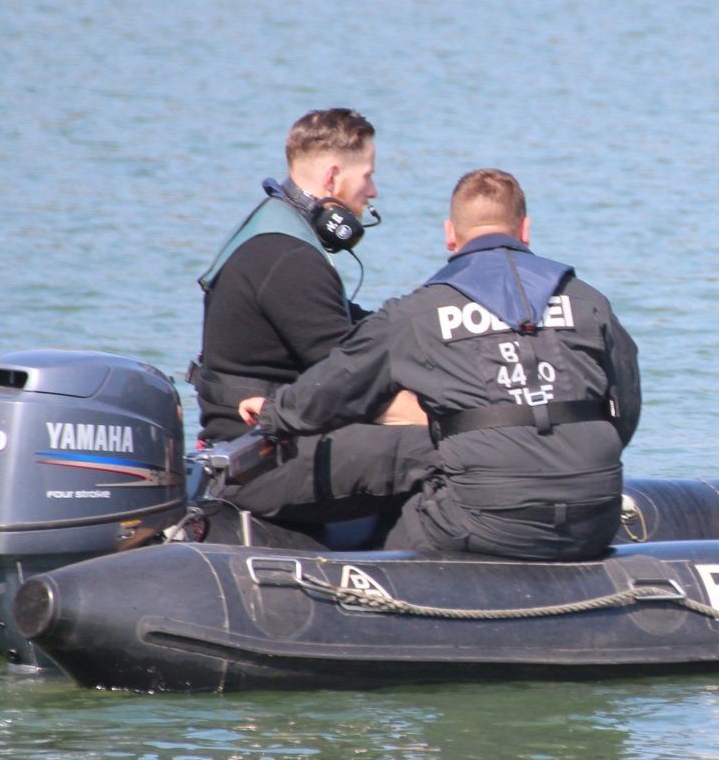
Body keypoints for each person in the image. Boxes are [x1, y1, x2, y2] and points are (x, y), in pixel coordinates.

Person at [239, 168, 641, 560]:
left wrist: (275, 414)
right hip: (595, 519)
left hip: (488, 522)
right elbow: (626, 406)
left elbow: (338, 384)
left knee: (396, 531)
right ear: (525, 230)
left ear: (450, 235)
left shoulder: (416, 313)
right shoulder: (589, 301)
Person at [191, 108, 433, 528]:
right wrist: (449, 420)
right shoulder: (289, 258)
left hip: (274, 443)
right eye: (368, 176)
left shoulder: (280, 235)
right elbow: (350, 381)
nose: (373, 191)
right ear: (333, 178)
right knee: (448, 448)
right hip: (258, 461)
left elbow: (359, 335)